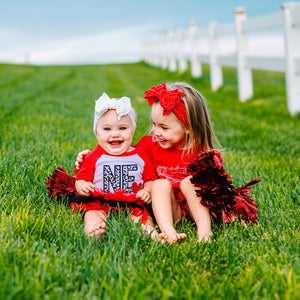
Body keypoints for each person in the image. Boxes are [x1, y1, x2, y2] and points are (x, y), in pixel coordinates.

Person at [76, 82, 260, 244]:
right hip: (166, 209)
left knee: (191, 181)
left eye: (163, 127)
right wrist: (88, 158)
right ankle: (168, 232)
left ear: (188, 128)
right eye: (154, 124)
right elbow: (123, 155)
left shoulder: (201, 152)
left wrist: (233, 210)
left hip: (195, 210)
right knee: (160, 184)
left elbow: (218, 190)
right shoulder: (149, 145)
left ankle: (205, 232)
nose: (155, 132)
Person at [47, 92, 158, 241]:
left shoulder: (140, 155)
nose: (115, 134)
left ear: (133, 129)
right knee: (92, 213)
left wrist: (147, 191)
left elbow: (150, 178)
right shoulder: (95, 155)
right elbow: (82, 177)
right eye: (107, 129)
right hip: (100, 201)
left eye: (122, 128)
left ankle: (150, 234)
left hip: (132, 202)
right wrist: (82, 186)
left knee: (143, 218)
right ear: (97, 132)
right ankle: (94, 230)